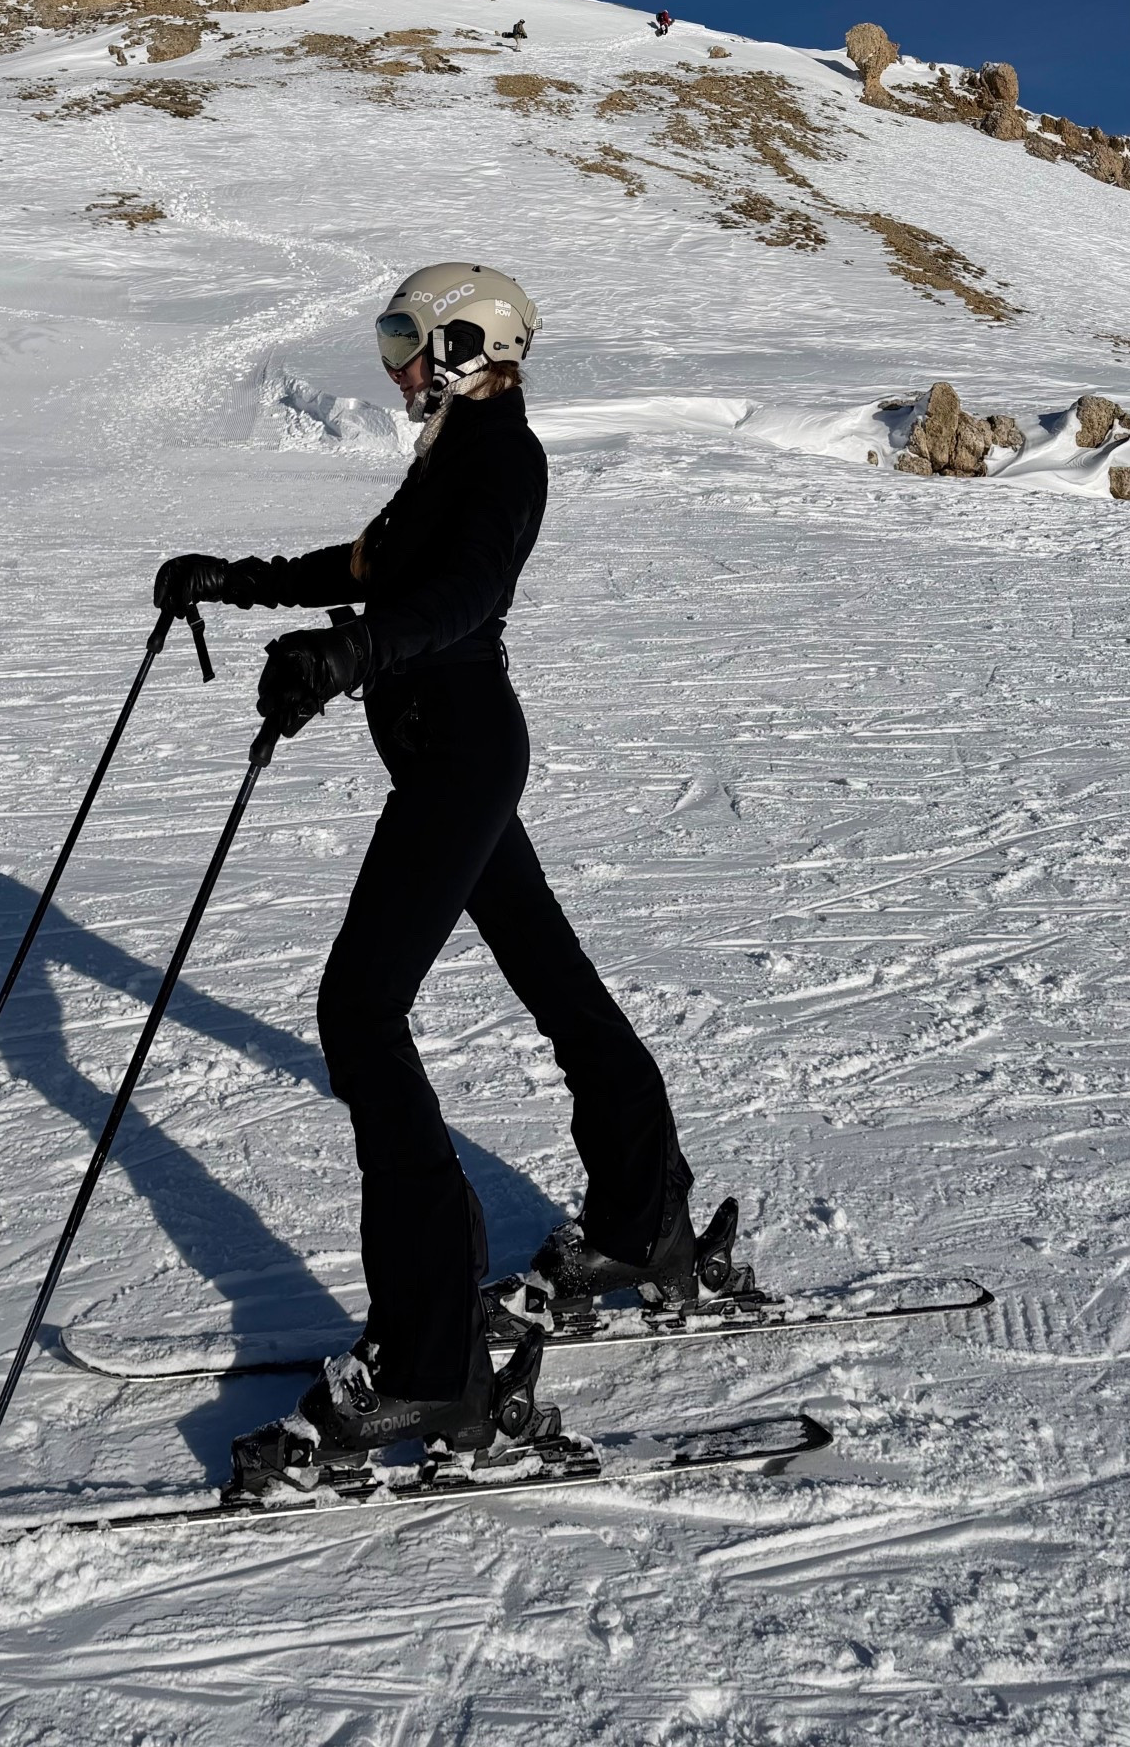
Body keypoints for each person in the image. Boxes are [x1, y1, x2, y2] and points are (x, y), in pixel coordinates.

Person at [154, 265, 709, 1490]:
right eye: (391, 334)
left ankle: (430, 1358)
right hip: (444, 753)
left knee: (359, 1008)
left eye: (411, 335)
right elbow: (375, 563)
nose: (397, 359)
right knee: (548, 971)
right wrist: (235, 578)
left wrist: (352, 655)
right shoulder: (452, 452)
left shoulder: (505, 458)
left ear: (470, 343)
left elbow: (464, 595)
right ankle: (641, 1218)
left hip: (461, 754)